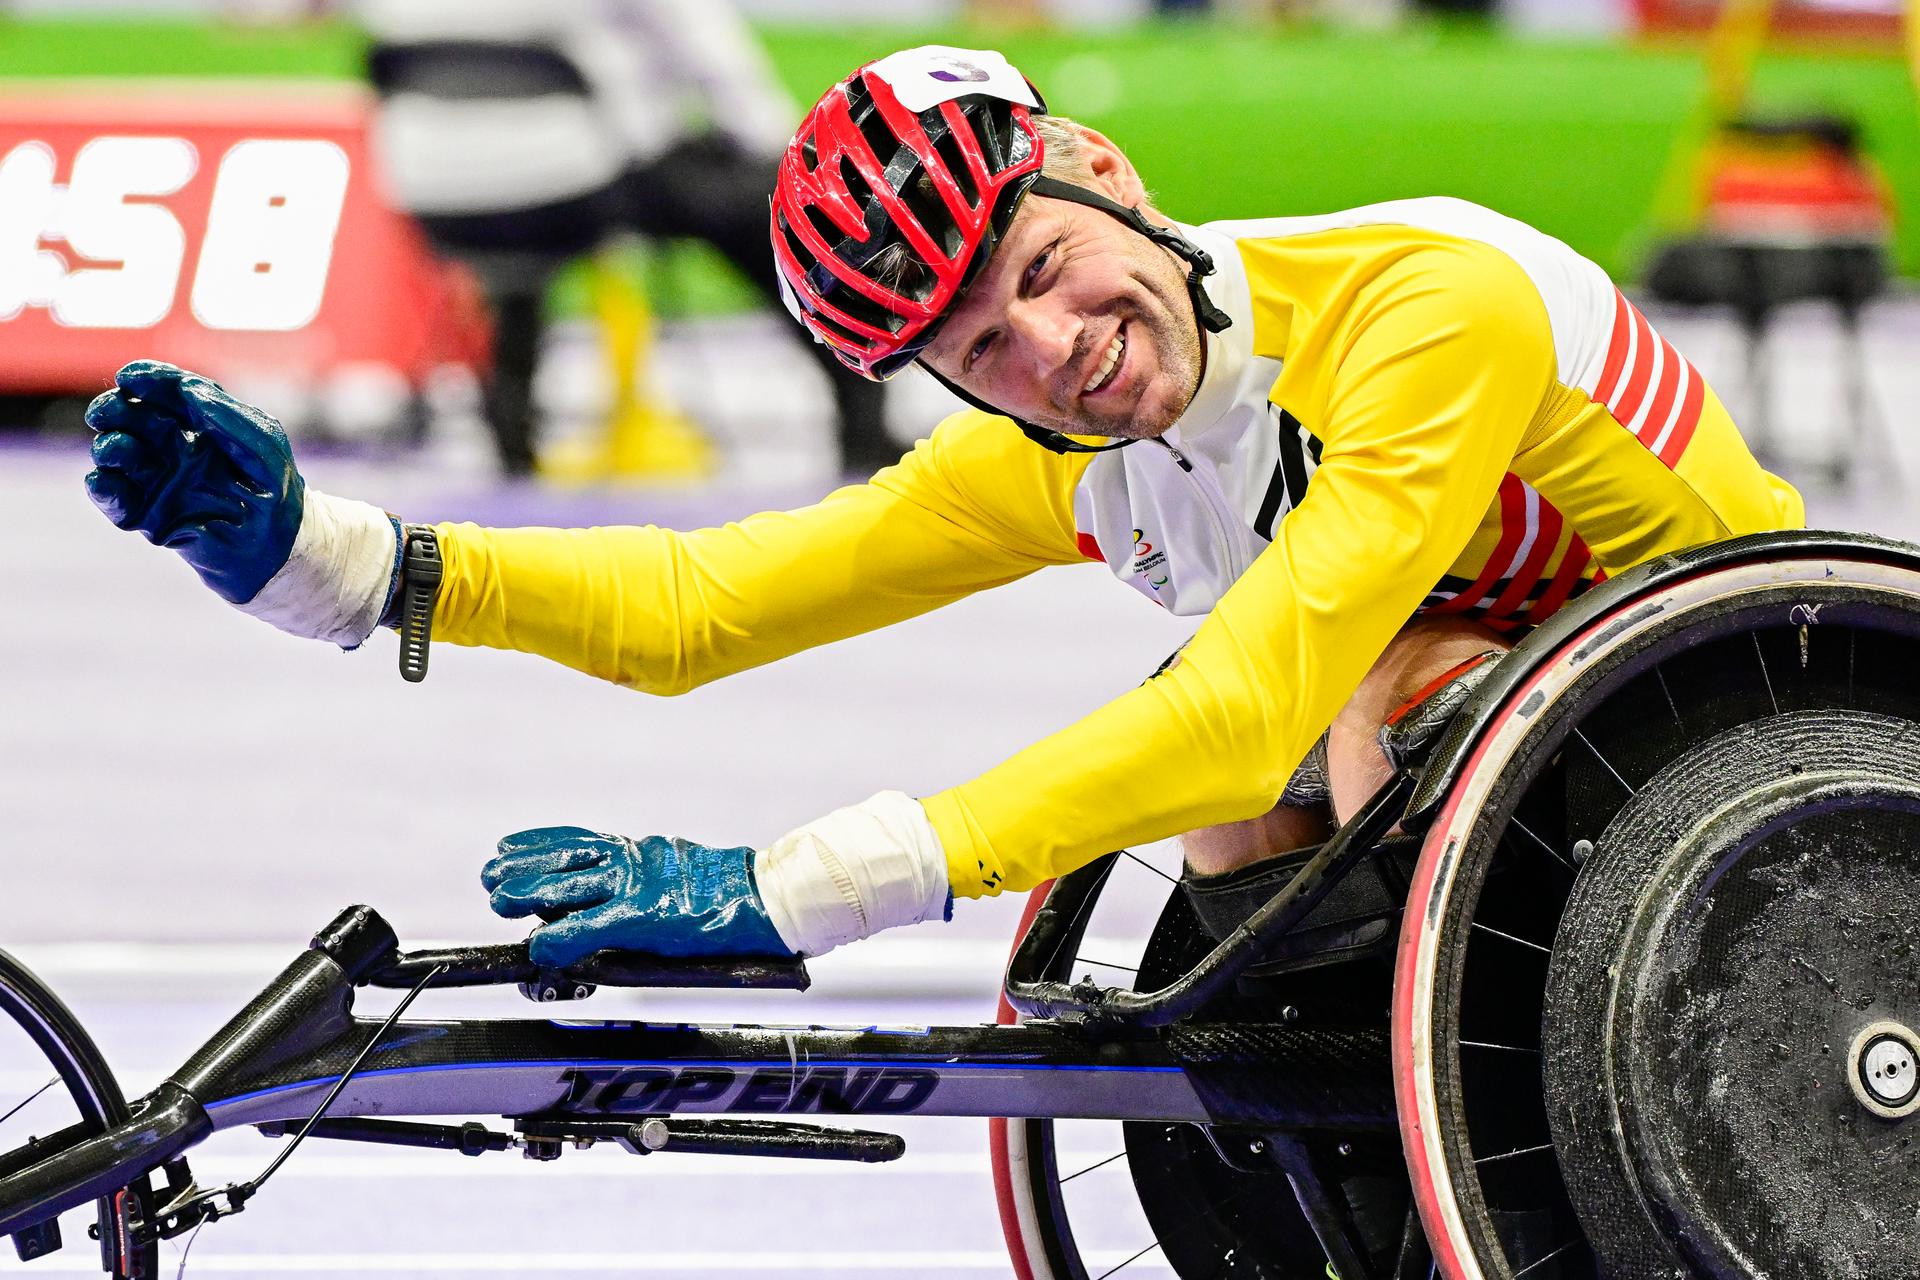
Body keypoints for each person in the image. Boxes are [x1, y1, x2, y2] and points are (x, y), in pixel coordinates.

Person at [85, 45, 1803, 968]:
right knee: (1241, 814)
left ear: (1103, 171)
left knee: (1360, 719)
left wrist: (802, 886)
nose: (1056, 354)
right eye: (980, 346)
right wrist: (335, 567)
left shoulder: (1423, 308)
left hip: (1791, 709)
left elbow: (1240, 709)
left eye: (1044, 271)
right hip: (1560, 736)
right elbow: (708, 604)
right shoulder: (1050, 440)